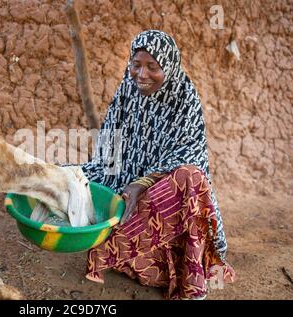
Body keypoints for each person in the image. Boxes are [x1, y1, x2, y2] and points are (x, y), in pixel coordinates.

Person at [75, 30, 235, 299]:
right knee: (80, 188)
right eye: (136, 65)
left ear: (169, 67)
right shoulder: (127, 91)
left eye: (153, 67)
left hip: (170, 200)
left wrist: (144, 182)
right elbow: (108, 156)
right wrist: (108, 185)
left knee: (191, 177)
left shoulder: (184, 98)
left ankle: (189, 273)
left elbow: (190, 155)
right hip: (127, 191)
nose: (141, 74)